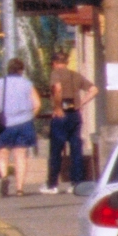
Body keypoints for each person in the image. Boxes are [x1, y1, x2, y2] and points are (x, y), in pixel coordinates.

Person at [0, 58, 41, 198]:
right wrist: (30, 116)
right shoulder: (27, 84)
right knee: (21, 155)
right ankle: (19, 189)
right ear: (21, 71)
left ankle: (4, 176)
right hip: (24, 123)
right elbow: (37, 104)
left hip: (5, 123)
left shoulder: (0, 83)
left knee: (3, 153)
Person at [44, 57, 94, 192]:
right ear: (66, 62)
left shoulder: (55, 74)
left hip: (61, 116)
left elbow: (58, 89)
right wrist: (81, 103)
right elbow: (94, 89)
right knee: (76, 149)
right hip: (75, 115)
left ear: (54, 63)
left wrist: (57, 107)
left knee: (56, 150)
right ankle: (76, 183)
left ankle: (52, 184)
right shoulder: (75, 75)